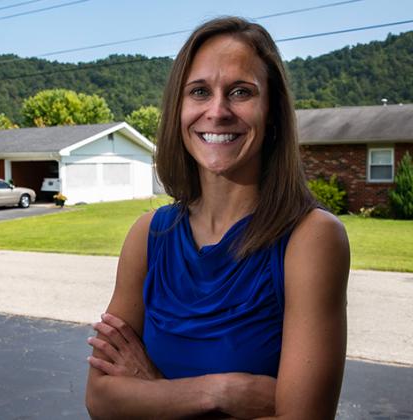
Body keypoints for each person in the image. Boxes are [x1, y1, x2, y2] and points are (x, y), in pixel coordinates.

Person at [85, 16, 350, 419]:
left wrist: (152, 393)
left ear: (273, 112)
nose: (218, 111)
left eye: (241, 92)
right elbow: (101, 400)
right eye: (199, 92)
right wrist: (219, 391)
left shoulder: (311, 239)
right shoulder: (148, 236)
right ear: (179, 108)